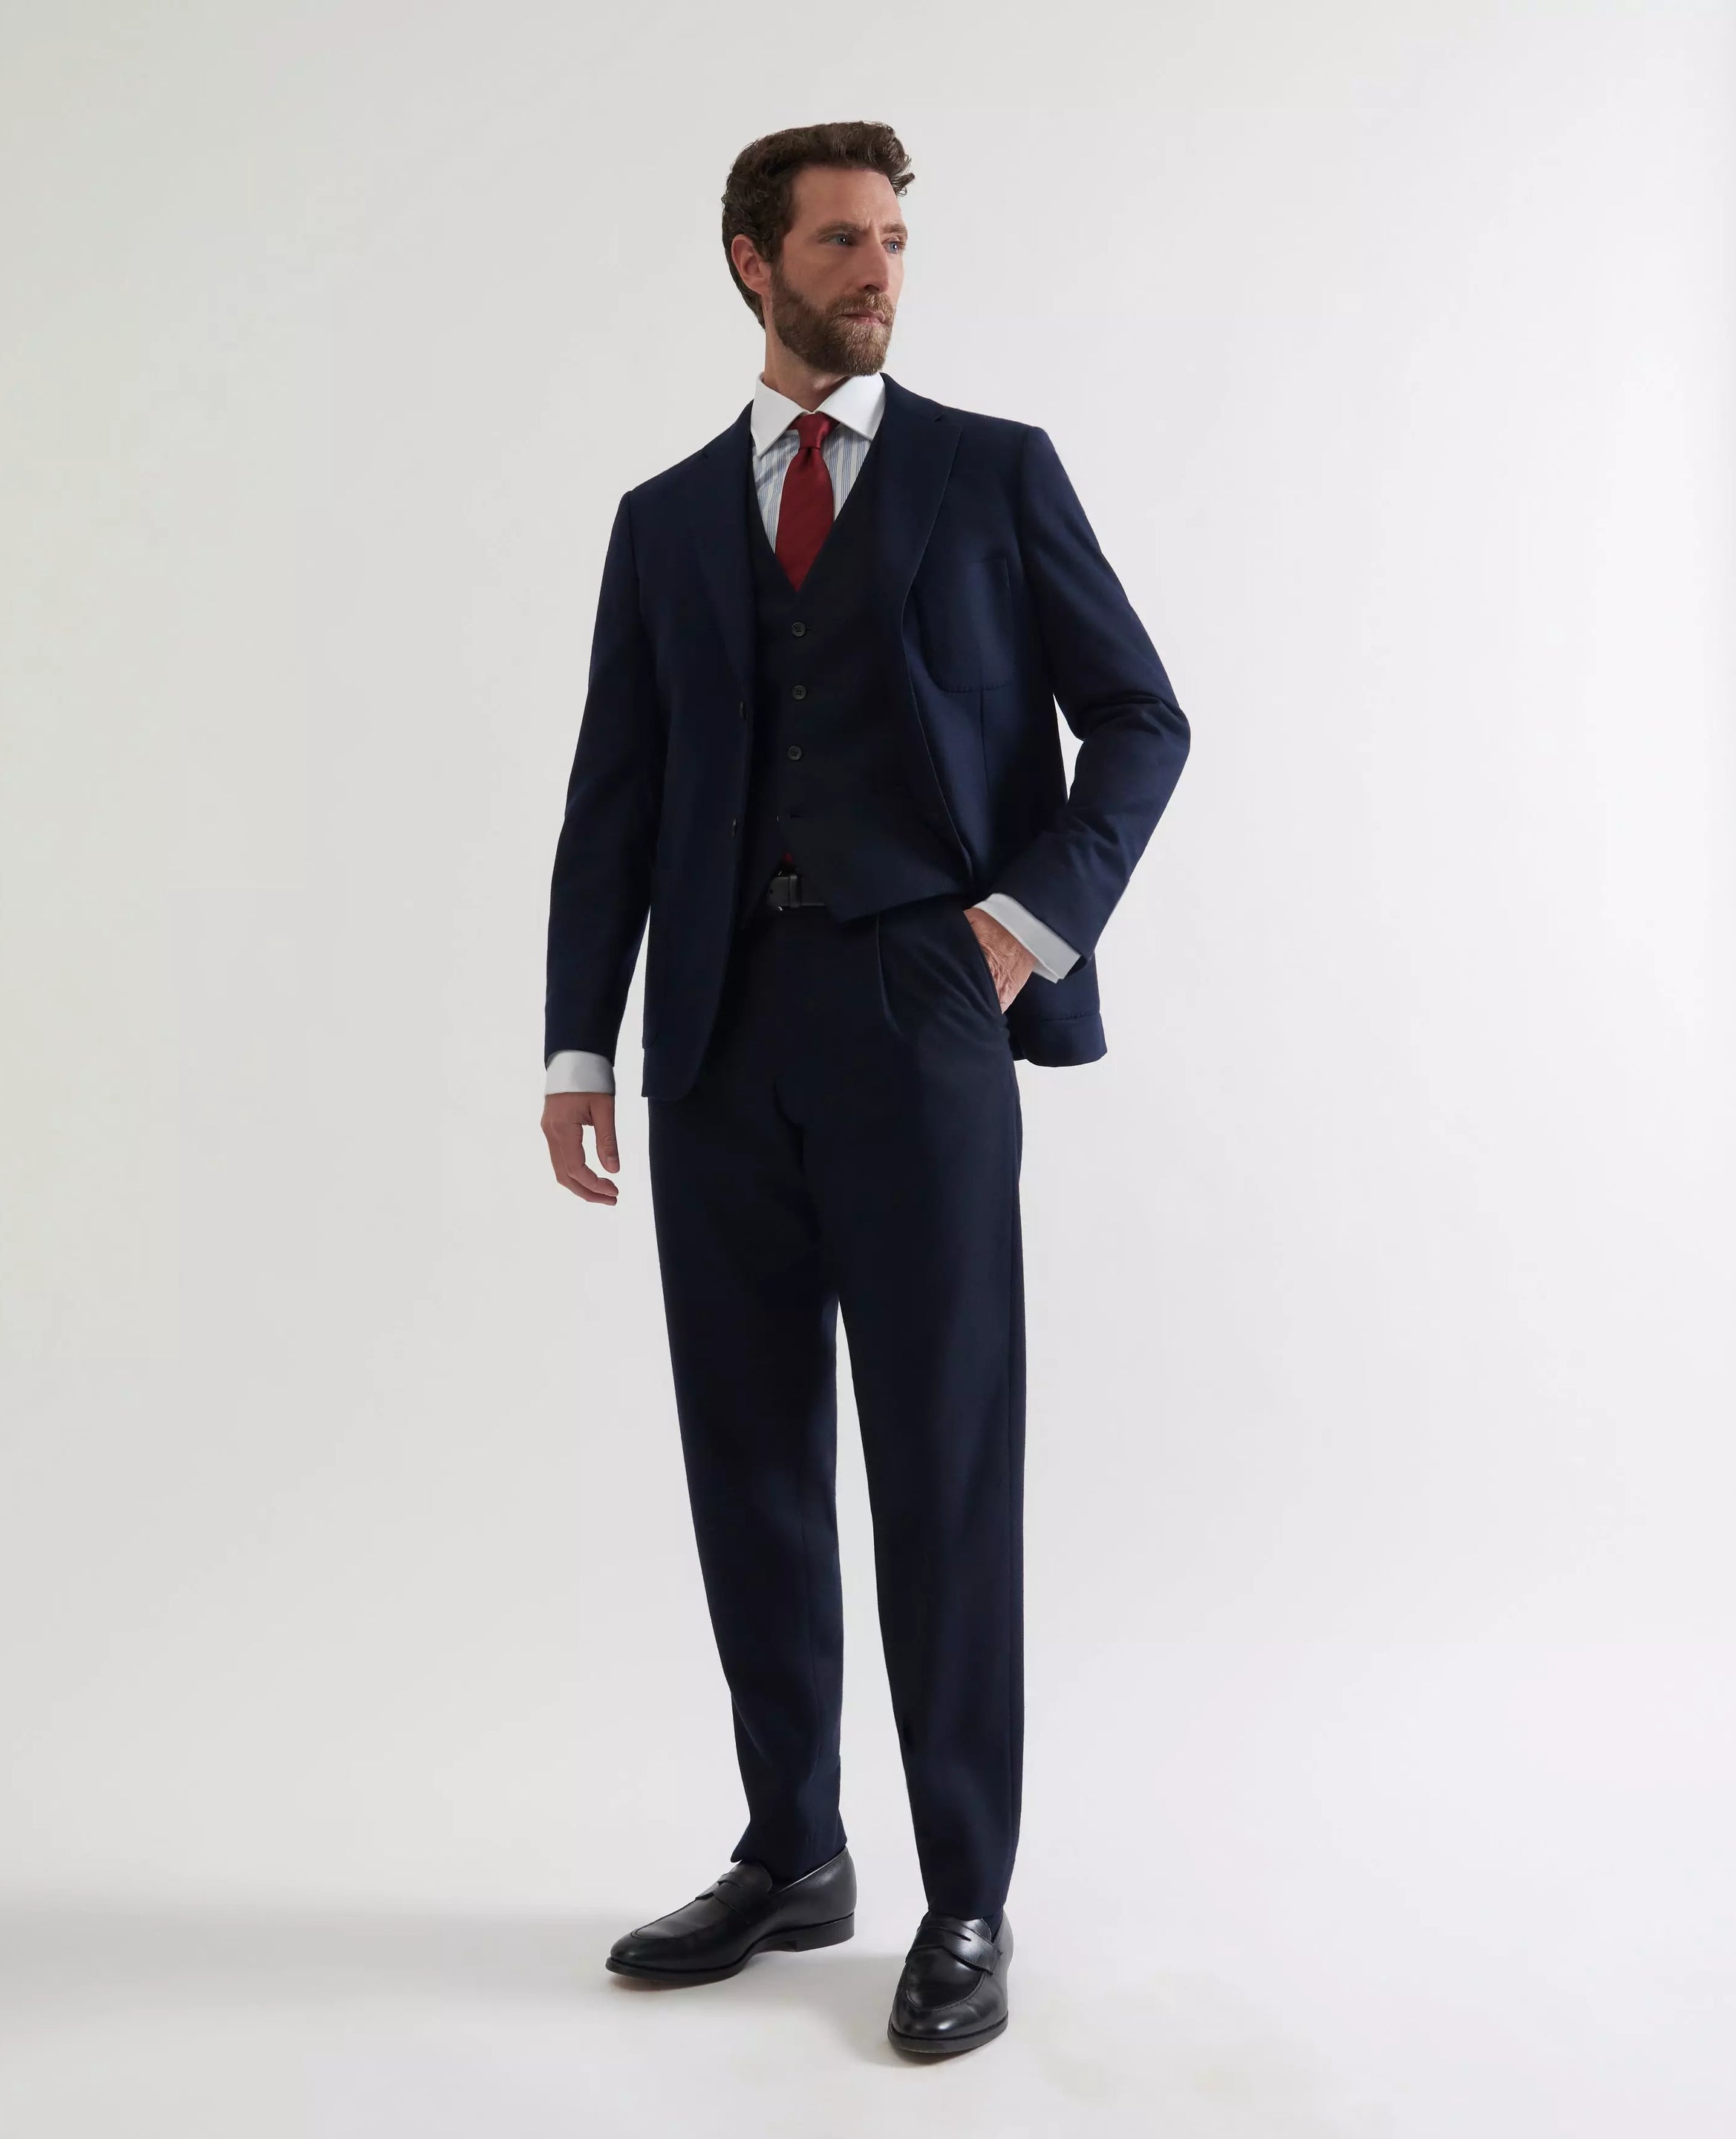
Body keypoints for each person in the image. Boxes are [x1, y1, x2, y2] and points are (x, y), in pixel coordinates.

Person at [540, 120, 1189, 2057]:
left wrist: (1026, 921)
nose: (879, 271)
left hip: (922, 1007)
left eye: (894, 240)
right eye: (840, 241)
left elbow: (1140, 717)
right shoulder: (665, 520)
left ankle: (965, 1893)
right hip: (719, 1034)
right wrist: (578, 1044)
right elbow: (613, 798)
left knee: (941, 1460)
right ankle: (794, 1849)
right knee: (746, 1457)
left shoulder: (995, 474)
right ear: (755, 262)